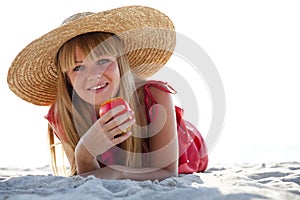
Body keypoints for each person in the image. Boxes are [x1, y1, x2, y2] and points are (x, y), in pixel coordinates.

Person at [7, 5, 208, 180]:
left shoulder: (155, 96)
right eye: (78, 68)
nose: (94, 75)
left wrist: (119, 173)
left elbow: (166, 171)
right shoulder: (64, 114)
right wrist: (84, 153)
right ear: (67, 78)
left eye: (103, 61)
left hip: (187, 146)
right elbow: (87, 175)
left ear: (120, 63)